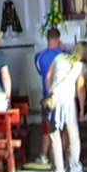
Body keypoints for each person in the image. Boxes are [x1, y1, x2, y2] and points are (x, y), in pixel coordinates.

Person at [45, 41, 87, 172]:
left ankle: (59, 171)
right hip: (68, 102)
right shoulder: (79, 66)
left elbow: (48, 76)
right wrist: (82, 109)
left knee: (55, 137)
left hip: (54, 101)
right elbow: (81, 89)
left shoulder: (59, 58)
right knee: (73, 137)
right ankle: (74, 169)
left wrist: (51, 93)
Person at [34, 27, 65, 165]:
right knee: (63, 128)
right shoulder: (65, 54)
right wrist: (63, 50)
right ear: (58, 39)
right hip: (63, 96)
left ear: (47, 39)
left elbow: (41, 72)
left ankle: (43, 155)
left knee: (47, 128)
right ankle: (62, 156)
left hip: (48, 96)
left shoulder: (39, 57)